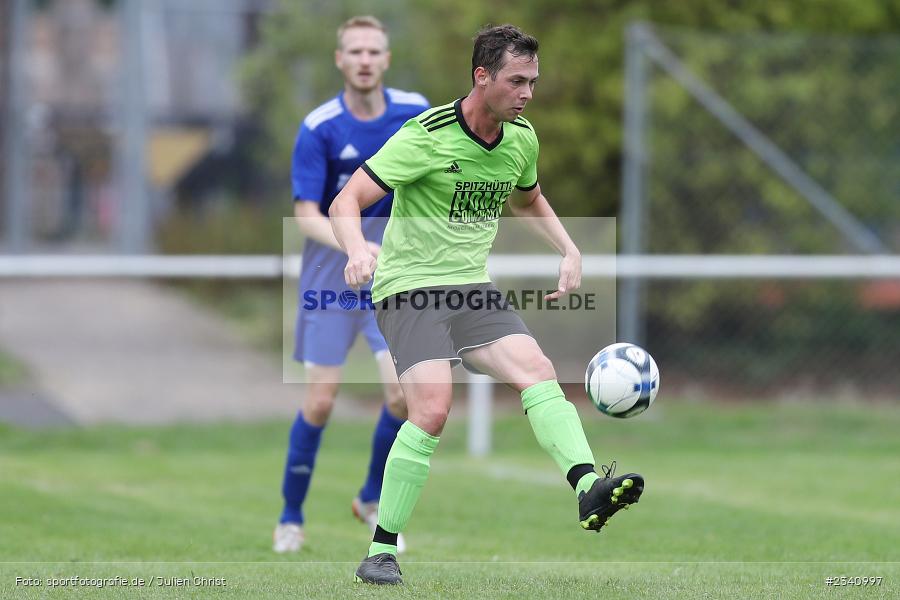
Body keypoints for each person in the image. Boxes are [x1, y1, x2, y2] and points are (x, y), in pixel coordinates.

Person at [329, 24, 645, 584]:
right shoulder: (425, 136)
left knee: (538, 371)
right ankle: (381, 550)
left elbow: (529, 200)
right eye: (516, 81)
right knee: (431, 409)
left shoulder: (521, 139)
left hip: (471, 290)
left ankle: (588, 488)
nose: (527, 93)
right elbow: (346, 200)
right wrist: (356, 249)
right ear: (482, 76)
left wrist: (569, 249)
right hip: (410, 288)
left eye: (532, 82)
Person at [273, 15, 429, 554]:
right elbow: (306, 213)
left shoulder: (416, 112)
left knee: (403, 395)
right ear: (340, 59)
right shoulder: (319, 127)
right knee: (320, 402)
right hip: (332, 274)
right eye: (355, 51)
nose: (365, 59)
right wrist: (356, 246)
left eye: (374, 51)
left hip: (392, 273)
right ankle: (291, 517)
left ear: (386, 59)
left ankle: (369, 499)